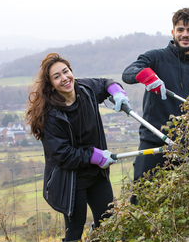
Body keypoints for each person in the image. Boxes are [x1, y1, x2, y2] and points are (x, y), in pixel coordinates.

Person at [26, 53, 130, 242]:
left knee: (108, 223)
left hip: (96, 174)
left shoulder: (86, 89)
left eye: (66, 71)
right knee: (74, 232)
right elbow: (62, 155)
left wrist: (117, 92)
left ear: (71, 71)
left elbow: (105, 83)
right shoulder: (50, 115)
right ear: (51, 85)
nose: (64, 78)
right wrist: (95, 155)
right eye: (56, 76)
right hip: (72, 181)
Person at [122, 7, 189, 185]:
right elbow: (128, 73)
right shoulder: (155, 58)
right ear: (173, 32)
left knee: (186, 204)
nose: (185, 34)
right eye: (180, 30)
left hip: (187, 148)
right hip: (154, 144)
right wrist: (146, 76)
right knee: (142, 199)